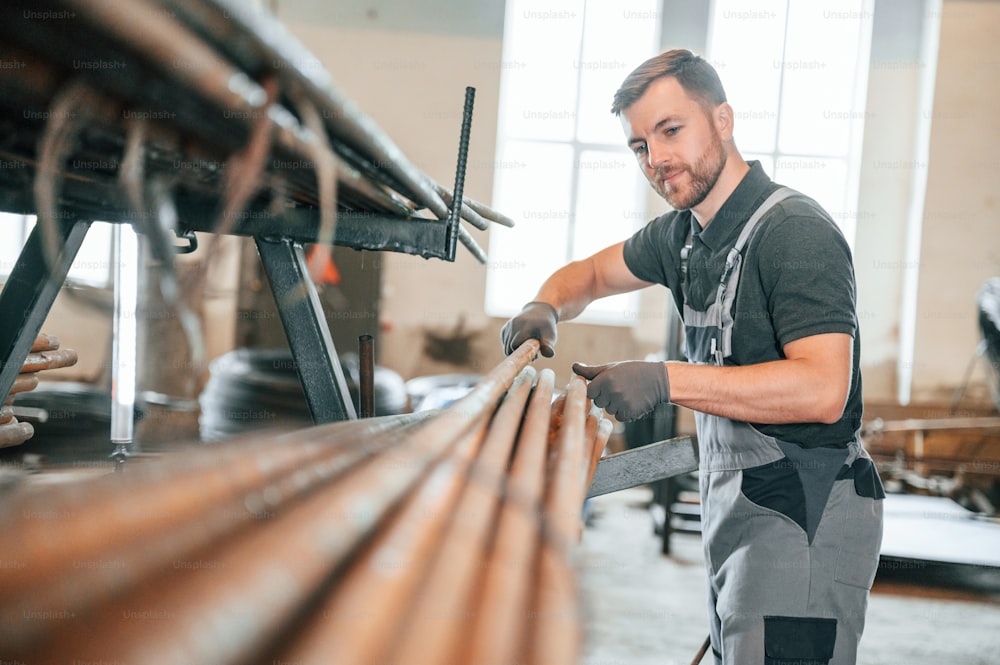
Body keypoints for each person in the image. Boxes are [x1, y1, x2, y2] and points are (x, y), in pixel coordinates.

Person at [500, 49, 884, 665]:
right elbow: (593, 274)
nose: (657, 159)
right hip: (734, 499)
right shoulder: (683, 236)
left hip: (804, 510)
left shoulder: (793, 231)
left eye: (671, 130)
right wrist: (545, 304)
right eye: (639, 145)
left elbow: (822, 388)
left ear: (723, 120)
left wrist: (665, 379)